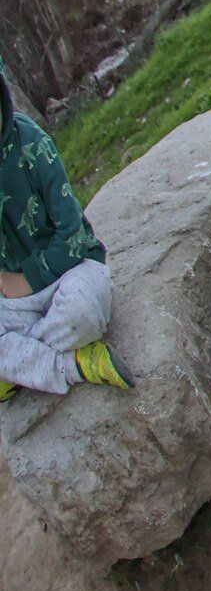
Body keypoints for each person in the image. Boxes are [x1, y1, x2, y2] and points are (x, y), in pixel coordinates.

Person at [0, 58, 132, 402]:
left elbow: (72, 234)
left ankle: (18, 366)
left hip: (70, 272)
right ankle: (75, 364)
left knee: (83, 311)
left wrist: (28, 279)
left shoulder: (29, 141)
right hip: (13, 300)